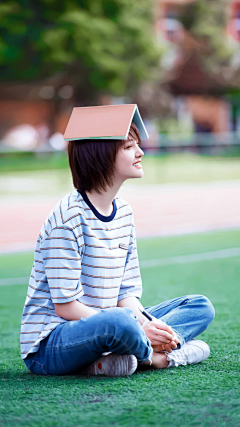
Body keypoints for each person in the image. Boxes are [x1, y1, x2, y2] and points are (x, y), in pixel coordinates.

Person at [21, 107, 215, 376]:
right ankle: (156, 358)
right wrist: (136, 326)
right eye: (129, 147)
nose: (141, 153)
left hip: (111, 322)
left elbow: (126, 294)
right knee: (120, 322)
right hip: (53, 344)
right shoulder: (67, 220)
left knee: (199, 306)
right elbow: (65, 307)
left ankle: (117, 357)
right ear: (101, 156)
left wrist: (145, 322)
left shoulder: (124, 212)